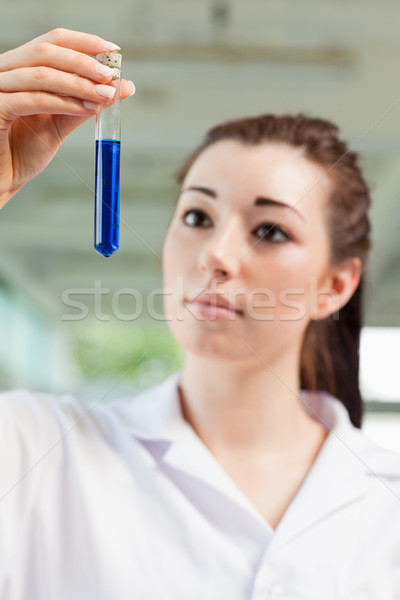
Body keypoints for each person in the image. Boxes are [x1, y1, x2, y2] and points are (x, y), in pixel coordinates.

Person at [0, 28, 399, 600]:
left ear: (334, 285)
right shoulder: (31, 450)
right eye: (196, 216)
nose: (215, 253)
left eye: (270, 230)